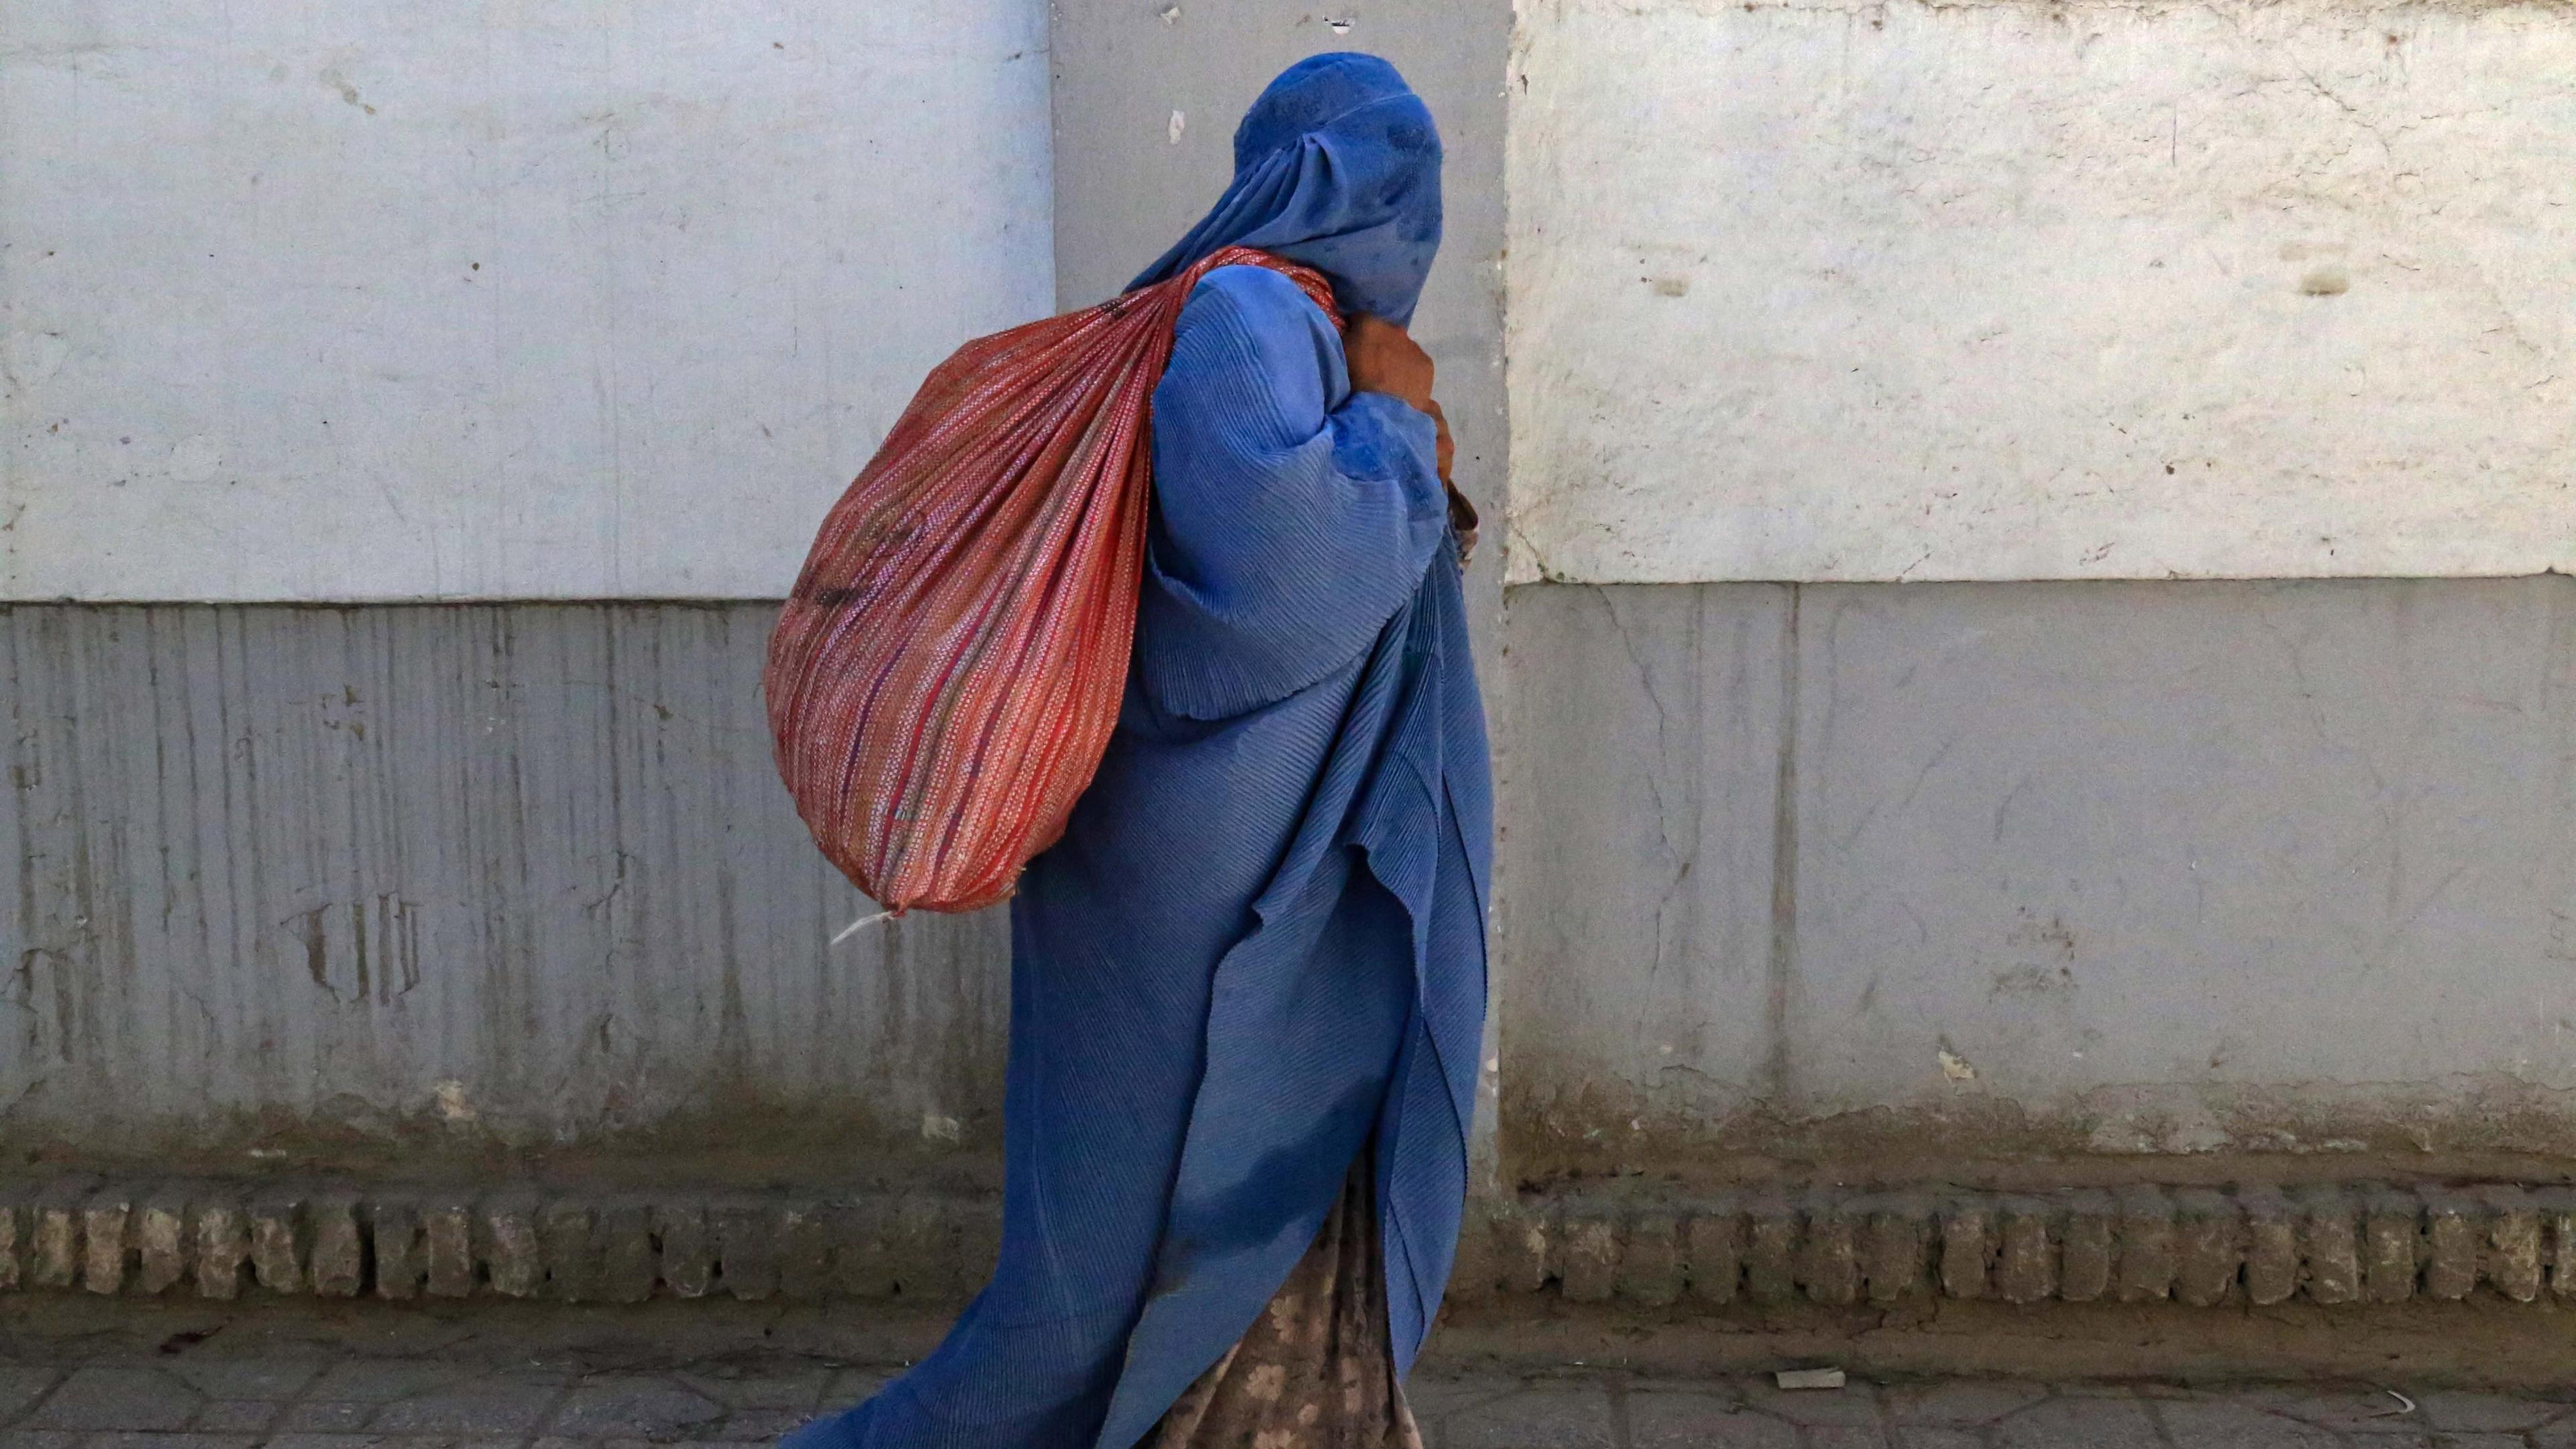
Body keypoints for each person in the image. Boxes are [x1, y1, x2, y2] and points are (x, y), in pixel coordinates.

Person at [785, 52, 1489, 1449]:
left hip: (1256, 859)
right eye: (1391, 171)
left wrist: (1400, 434)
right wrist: (1400, 420)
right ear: (1323, 182)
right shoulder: (1244, 313)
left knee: (1248, 1194)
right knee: (1101, 1266)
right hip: (1204, 883)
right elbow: (1279, 586)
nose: (1416, 211)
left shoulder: (1286, 322)